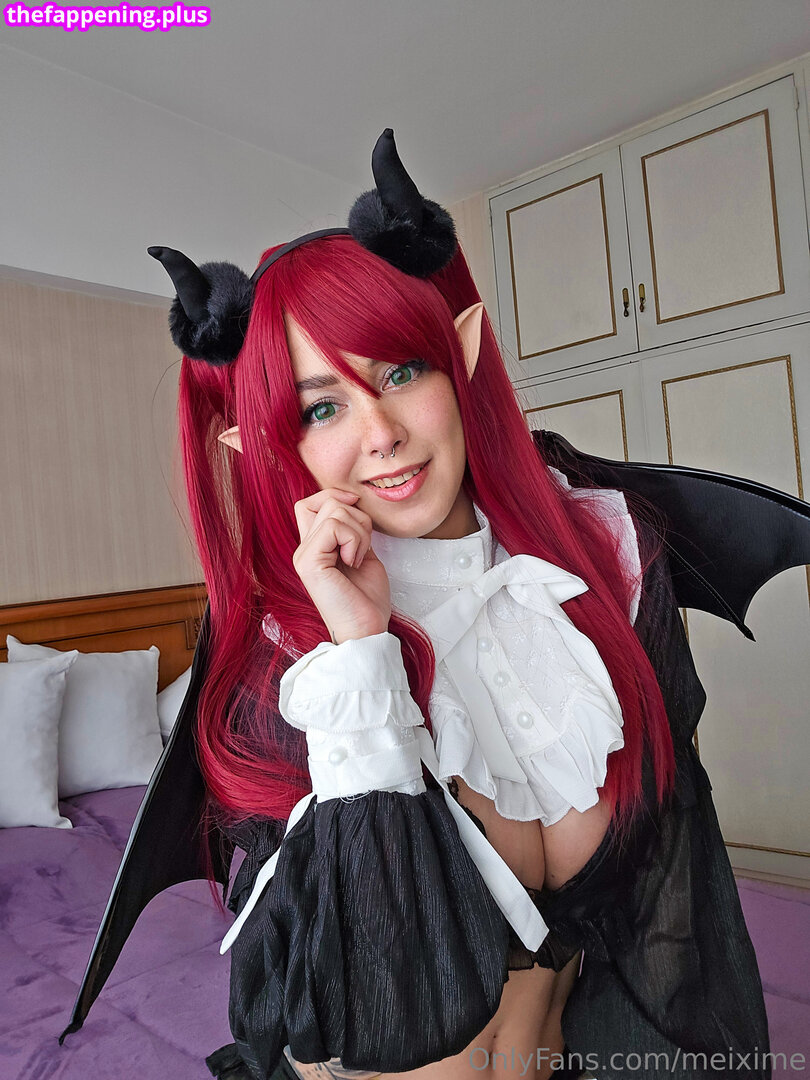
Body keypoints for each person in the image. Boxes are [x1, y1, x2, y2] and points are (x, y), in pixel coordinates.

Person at [146, 131, 772, 1080]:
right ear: (268, 445)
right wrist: (362, 652)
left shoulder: (603, 563)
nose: (382, 434)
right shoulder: (293, 676)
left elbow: (677, 922)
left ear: (462, 352)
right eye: (321, 408)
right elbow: (369, 1015)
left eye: (400, 371)